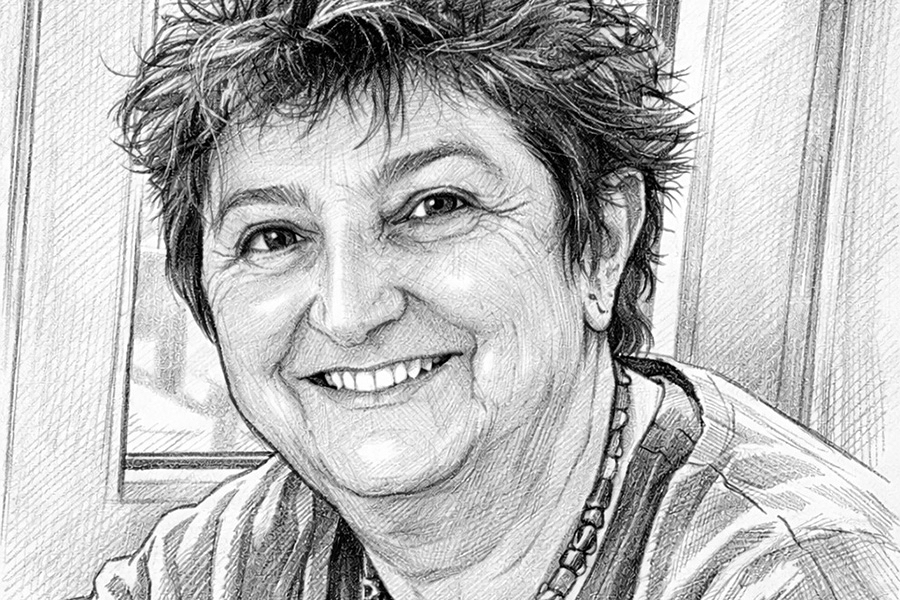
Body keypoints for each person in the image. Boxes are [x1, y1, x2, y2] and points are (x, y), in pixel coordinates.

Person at [85, 0, 899, 598]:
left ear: (599, 240)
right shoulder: (223, 562)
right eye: (273, 236)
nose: (349, 311)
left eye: (435, 206)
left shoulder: (805, 576)